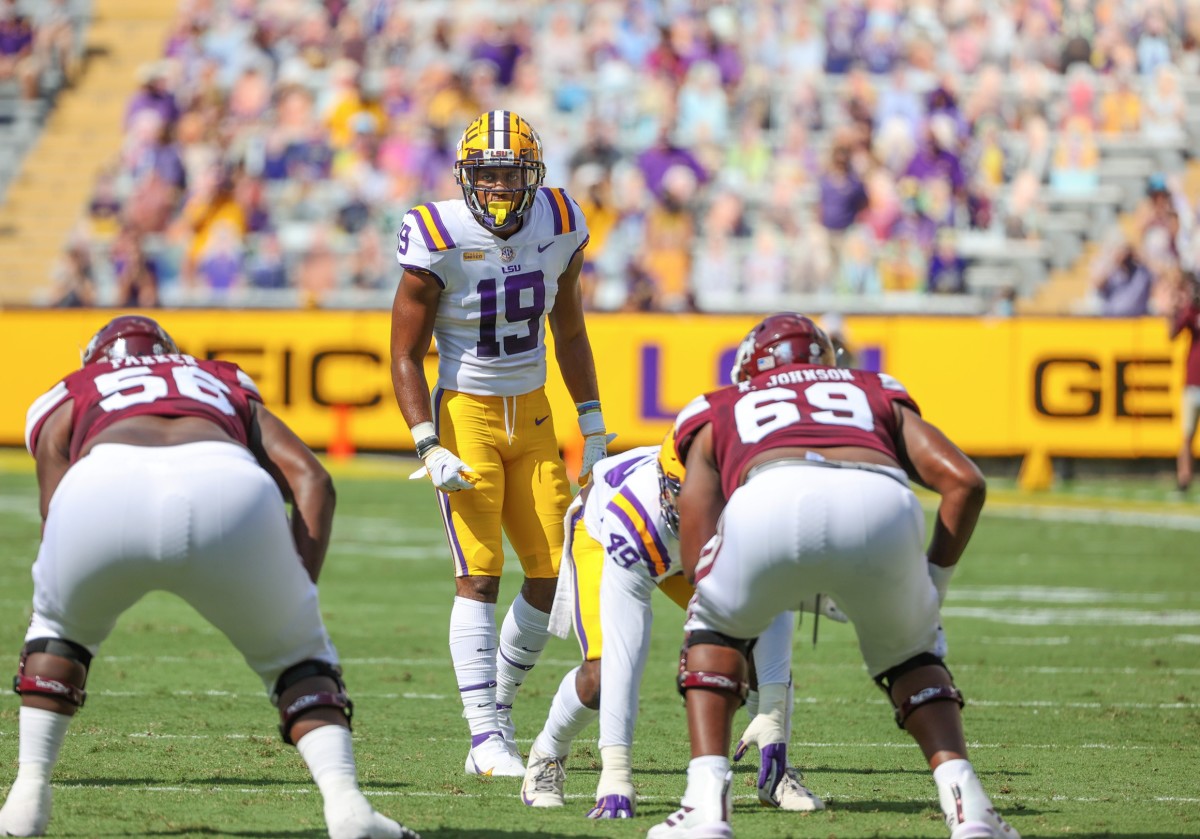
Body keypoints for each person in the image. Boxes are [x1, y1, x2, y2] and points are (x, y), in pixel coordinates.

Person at [1, 316, 416, 839]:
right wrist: (294, 597)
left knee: (58, 632)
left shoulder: (72, 390)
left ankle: (27, 799)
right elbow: (313, 480)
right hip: (226, 480)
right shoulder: (219, 378)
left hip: (101, 482)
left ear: (97, 358)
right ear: (171, 352)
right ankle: (348, 809)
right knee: (297, 658)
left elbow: (54, 514)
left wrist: (66, 607)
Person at [650, 313, 1019, 839]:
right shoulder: (874, 387)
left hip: (768, 499)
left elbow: (696, 519)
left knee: (714, 631)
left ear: (750, 366)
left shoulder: (718, 406)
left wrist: (715, 600)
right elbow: (965, 482)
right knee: (913, 658)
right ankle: (970, 808)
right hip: (881, 504)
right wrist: (931, 582)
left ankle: (706, 804)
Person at [390, 111, 609, 777]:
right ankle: (484, 735)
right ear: (465, 175)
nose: (495, 185)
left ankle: (502, 704)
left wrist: (594, 429)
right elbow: (403, 352)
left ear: (532, 174)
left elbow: (570, 331)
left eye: (508, 172)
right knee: (478, 572)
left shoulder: (561, 219)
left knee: (551, 577)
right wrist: (427, 443)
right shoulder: (437, 235)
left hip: (535, 413)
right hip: (467, 412)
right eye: (484, 173)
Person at [521, 444, 838, 816]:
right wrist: (616, 772)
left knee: (749, 645)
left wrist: (772, 719)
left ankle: (776, 771)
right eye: (688, 493)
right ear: (666, 487)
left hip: (689, 544)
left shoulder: (754, 505)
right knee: (602, 673)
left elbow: (770, 609)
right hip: (617, 535)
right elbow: (626, 653)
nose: (698, 504)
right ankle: (548, 750)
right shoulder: (635, 518)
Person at [1169, 273, 1200, 492]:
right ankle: (1184, 479)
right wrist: (1176, 308)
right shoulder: (1191, 311)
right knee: (1187, 434)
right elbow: (1172, 333)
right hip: (1192, 382)